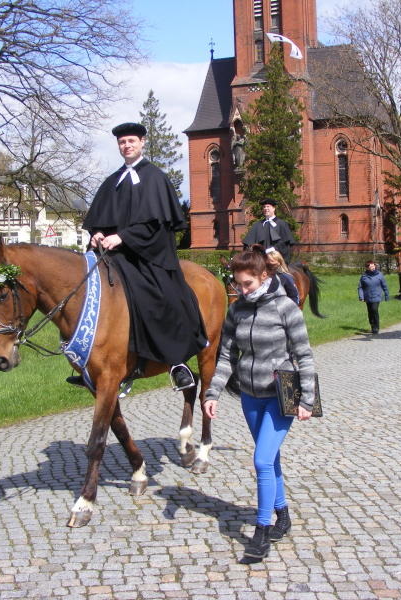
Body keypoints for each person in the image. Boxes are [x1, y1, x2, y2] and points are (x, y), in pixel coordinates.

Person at [203, 245, 315, 564]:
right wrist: (212, 393)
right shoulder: (237, 310)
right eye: (238, 284)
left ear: (264, 276)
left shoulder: (286, 308)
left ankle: (262, 531)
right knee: (271, 459)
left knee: (262, 460)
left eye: (248, 284)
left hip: (284, 393)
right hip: (250, 396)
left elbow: (304, 355)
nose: (242, 290)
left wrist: (306, 398)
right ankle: (283, 515)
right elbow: (225, 356)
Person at [82, 122, 208, 391]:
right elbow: (98, 219)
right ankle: (92, 364)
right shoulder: (112, 181)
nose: (126, 146)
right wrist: (98, 234)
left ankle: (176, 362)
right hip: (113, 257)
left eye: (131, 141)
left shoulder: (154, 178)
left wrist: (124, 237)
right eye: (122, 142)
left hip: (148, 256)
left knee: (162, 296)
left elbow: (157, 225)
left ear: (142, 143)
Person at [242, 199, 295, 265]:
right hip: (260, 259)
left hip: (277, 258)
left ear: (274, 208)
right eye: (264, 207)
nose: (265, 208)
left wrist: (273, 249)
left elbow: (286, 243)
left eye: (268, 206)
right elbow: (248, 244)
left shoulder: (281, 224)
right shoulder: (257, 225)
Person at [358, 259, 389, 334]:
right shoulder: (364, 276)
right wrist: (361, 297)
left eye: (373, 265)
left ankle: (376, 327)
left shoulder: (379, 275)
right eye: (370, 266)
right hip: (367, 297)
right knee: (370, 312)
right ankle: (372, 325)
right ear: (367, 268)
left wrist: (386, 295)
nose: (373, 267)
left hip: (377, 296)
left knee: (374, 309)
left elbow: (384, 285)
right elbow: (360, 287)